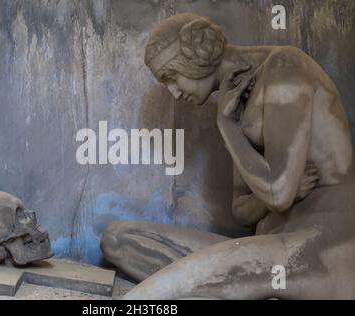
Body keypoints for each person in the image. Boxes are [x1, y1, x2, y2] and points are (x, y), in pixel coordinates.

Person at [101, 13, 355, 299]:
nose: (173, 92)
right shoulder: (233, 102)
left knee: (164, 290)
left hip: (320, 251)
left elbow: (278, 196)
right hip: (268, 248)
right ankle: (249, 291)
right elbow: (242, 210)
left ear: (194, 56)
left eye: (171, 77)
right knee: (119, 239)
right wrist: (271, 191)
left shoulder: (285, 66)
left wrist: (228, 128)